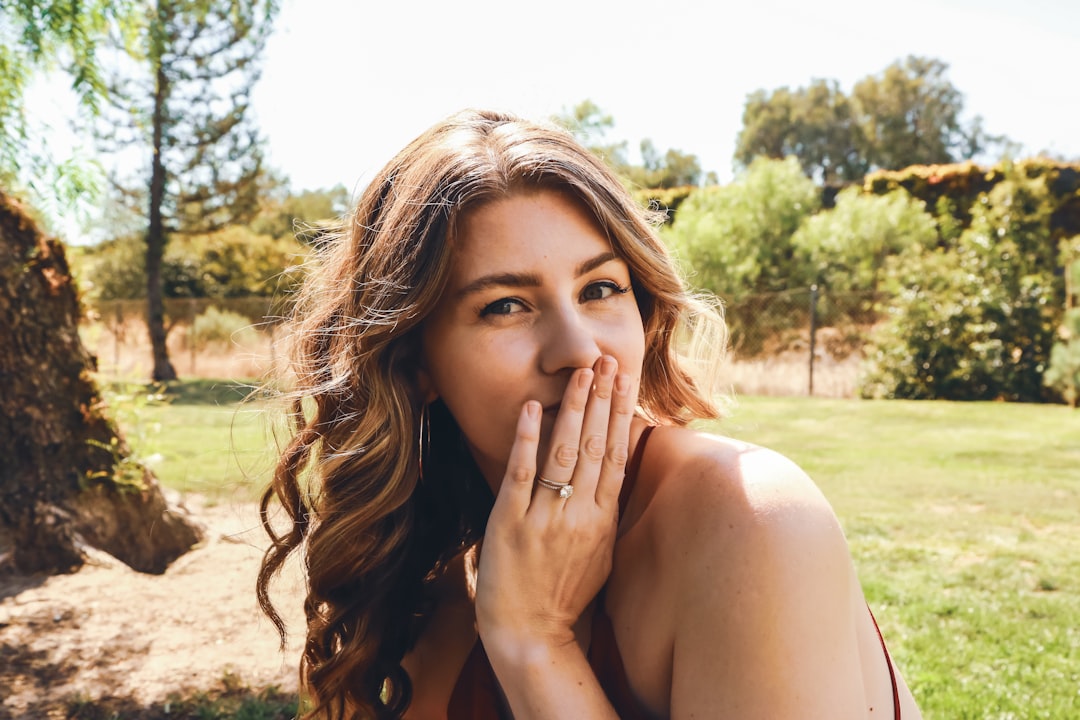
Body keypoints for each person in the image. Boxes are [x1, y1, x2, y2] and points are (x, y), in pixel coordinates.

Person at [257, 108, 922, 720]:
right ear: (415, 363)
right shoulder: (433, 571)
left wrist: (535, 641)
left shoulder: (751, 519)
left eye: (601, 288)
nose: (578, 350)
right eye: (505, 305)